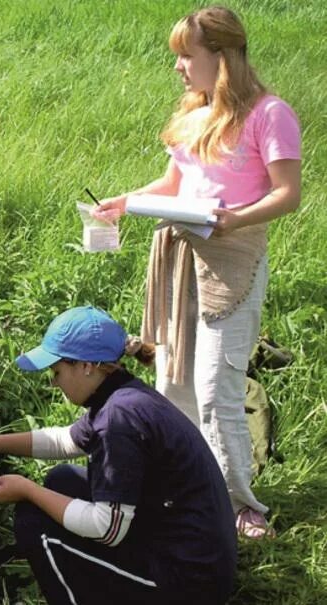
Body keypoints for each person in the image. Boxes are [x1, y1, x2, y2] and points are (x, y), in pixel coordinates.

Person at [92, 5, 300, 539]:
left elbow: (287, 194)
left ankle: (241, 506)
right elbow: (173, 185)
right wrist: (124, 201)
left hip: (233, 259)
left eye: (188, 56)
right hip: (180, 253)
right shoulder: (194, 112)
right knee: (173, 379)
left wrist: (236, 219)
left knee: (215, 388)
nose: (179, 67)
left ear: (223, 57)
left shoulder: (268, 113)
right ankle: (187, 486)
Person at [0, 306, 237, 605]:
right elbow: (63, 441)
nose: (54, 382)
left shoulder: (118, 420)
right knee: (62, 479)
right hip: (189, 545)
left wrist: (28, 490)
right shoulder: (122, 394)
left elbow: (107, 528)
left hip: (189, 582)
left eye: (57, 371)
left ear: (86, 366)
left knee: (36, 525)